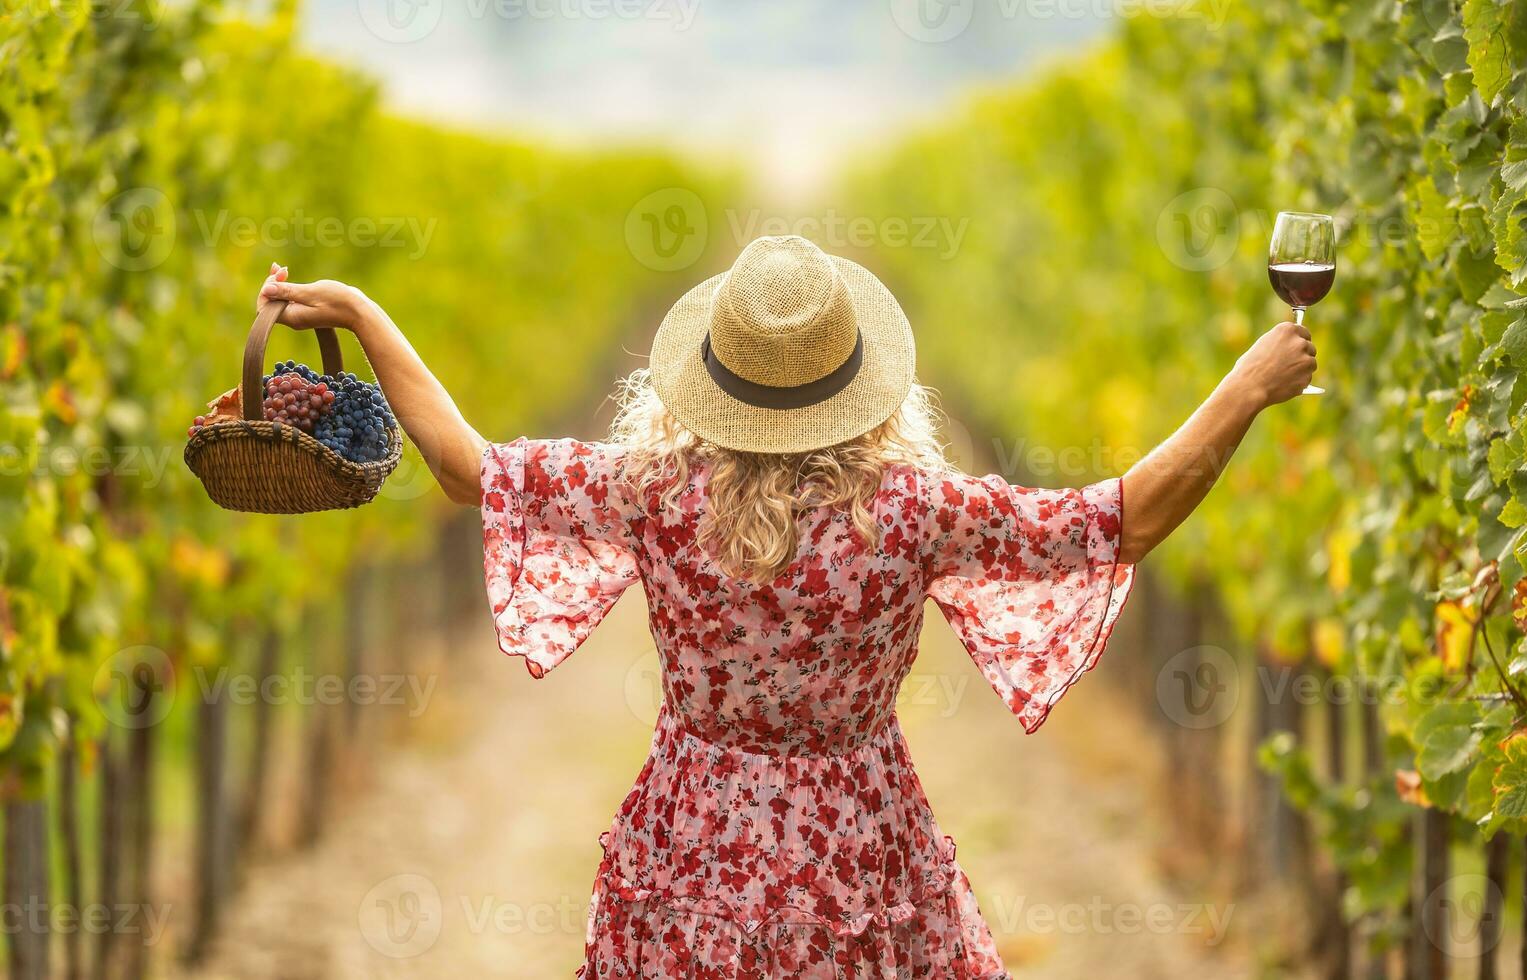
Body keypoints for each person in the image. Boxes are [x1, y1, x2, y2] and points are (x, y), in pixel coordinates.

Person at [257, 235, 1314, 978]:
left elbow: (464, 467)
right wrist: (1246, 387)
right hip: (858, 844)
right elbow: (1115, 520)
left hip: (689, 842)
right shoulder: (910, 508)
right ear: (857, 378)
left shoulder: (653, 492)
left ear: (711, 374)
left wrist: (358, 309)